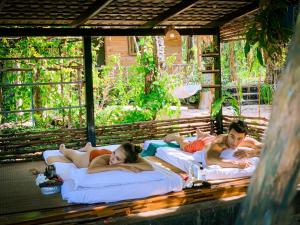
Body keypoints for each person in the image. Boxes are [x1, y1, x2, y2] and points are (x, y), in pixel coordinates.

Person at [164, 120, 262, 169]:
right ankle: (177, 137)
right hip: (203, 144)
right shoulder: (220, 143)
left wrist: (250, 153)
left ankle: (202, 134)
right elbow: (210, 159)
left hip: (212, 139)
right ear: (228, 133)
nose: (235, 142)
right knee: (185, 146)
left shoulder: (248, 140)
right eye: (232, 136)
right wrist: (236, 164)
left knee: (211, 138)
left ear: (245, 137)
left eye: (239, 139)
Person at [46, 142, 153, 173]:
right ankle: (63, 149)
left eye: (118, 158)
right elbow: (90, 169)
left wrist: (123, 165)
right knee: (74, 154)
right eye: (114, 153)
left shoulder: (131, 156)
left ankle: (89, 147)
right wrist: (119, 166)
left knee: (93, 149)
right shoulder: (106, 158)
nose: (113, 158)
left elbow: (149, 166)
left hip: (102, 151)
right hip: (90, 158)